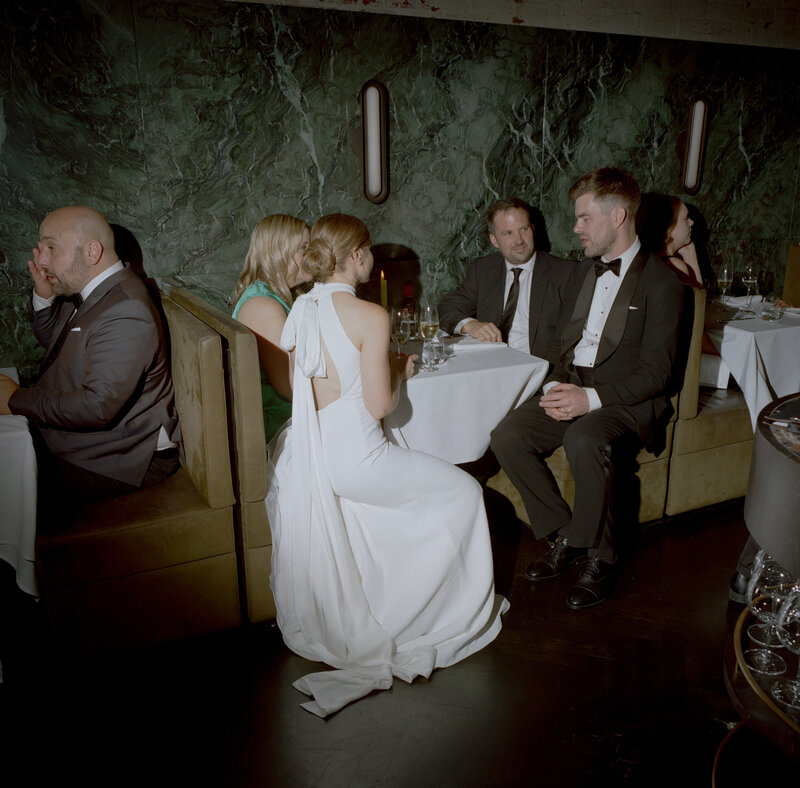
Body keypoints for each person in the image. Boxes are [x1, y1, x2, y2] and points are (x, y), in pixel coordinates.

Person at [266, 213, 508, 717]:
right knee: (464, 492)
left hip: (313, 461)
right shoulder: (369, 316)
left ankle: (403, 601)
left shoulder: (301, 310)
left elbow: (301, 391)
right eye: (369, 250)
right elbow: (380, 407)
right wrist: (400, 367)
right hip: (360, 461)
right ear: (356, 256)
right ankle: (451, 613)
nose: (372, 259)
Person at [490, 168, 687, 609]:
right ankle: (567, 537)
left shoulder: (665, 285)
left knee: (584, 436)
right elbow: (567, 345)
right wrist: (561, 386)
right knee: (508, 435)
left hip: (629, 399)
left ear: (617, 216)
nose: (574, 228)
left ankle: (602, 556)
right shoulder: (584, 272)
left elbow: (660, 376)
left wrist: (590, 400)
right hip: (578, 385)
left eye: (583, 218)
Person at [0, 206, 181, 510]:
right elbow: (60, 345)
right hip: (96, 443)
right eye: (41, 247)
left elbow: (97, 407)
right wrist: (44, 295)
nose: (41, 259)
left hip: (121, 459)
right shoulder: (94, 290)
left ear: (92, 251)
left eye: (51, 247)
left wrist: (14, 399)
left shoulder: (126, 310)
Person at [438, 197, 576, 361]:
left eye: (524, 229)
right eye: (508, 233)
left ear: (533, 229)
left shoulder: (564, 273)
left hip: (539, 370)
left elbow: (571, 341)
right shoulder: (483, 269)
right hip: (490, 366)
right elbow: (446, 307)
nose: (519, 240)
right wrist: (470, 325)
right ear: (494, 240)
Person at [231, 214, 312, 442]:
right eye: (304, 247)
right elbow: (289, 387)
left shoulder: (279, 296)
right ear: (278, 252)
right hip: (280, 424)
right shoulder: (263, 305)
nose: (312, 255)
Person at [637, 193, 703, 287]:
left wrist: (688, 252)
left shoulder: (648, 258)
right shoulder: (676, 266)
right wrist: (691, 256)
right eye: (686, 218)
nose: (691, 222)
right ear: (669, 227)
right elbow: (698, 301)